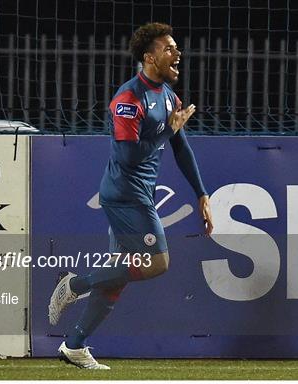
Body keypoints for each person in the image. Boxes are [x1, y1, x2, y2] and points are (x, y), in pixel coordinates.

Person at [48, 22, 213, 370]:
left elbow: (180, 147)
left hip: (138, 194)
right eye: (169, 48)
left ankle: (75, 346)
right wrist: (168, 130)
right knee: (156, 264)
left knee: (119, 277)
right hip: (126, 195)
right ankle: (76, 283)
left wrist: (201, 193)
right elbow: (128, 157)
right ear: (150, 57)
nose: (177, 53)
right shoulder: (128, 100)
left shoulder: (168, 95)